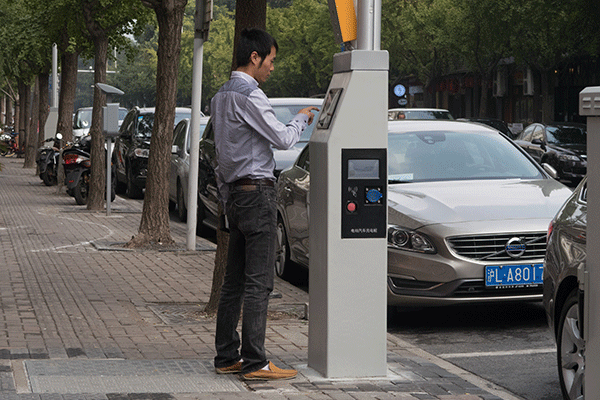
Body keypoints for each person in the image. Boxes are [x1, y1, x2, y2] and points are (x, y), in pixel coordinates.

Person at [211, 27, 318, 381]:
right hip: (257, 194)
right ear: (254, 57)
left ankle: (227, 355)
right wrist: (302, 117)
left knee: (233, 282)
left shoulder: (220, 96)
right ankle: (255, 362)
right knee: (259, 283)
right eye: (270, 60)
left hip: (234, 196)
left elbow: (221, 153)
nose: (272, 68)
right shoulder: (250, 96)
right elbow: (283, 137)